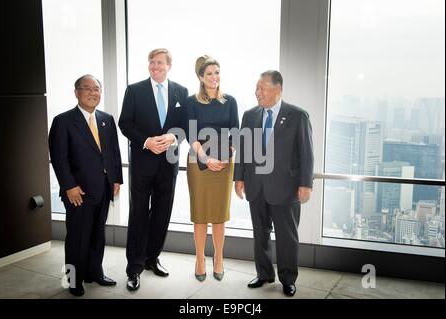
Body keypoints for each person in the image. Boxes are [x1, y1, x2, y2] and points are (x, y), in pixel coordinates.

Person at [234, 70, 313, 297]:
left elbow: (306, 153)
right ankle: (264, 273)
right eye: (256, 88)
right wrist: (238, 177)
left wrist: (305, 184)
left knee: (287, 236)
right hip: (255, 185)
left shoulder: (298, 116)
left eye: (262, 88)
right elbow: (244, 149)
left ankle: (288, 278)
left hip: (286, 188)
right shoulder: (250, 115)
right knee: (260, 233)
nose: (257, 92)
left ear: (277, 89)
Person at [119, 48, 189, 291]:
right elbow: (124, 122)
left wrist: (171, 138)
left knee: (162, 212)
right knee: (138, 213)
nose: (155, 66)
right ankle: (134, 268)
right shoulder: (134, 90)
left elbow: (185, 126)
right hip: (142, 162)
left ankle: (152, 259)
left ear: (169, 65)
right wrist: (147, 141)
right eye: (151, 62)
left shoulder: (181, 91)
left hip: (168, 163)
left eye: (160, 63)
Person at [49, 75, 123, 297]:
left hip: (103, 188)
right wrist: (69, 186)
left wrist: (116, 179)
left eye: (97, 89)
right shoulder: (63, 121)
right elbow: (59, 157)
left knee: (97, 235)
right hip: (78, 192)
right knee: (77, 238)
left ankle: (94, 272)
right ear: (77, 93)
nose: (93, 92)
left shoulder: (106, 119)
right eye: (87, 88)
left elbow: (113, 153)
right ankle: (73, 279)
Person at [186, 55, 239, 282]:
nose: (214, 77)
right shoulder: (191, 102)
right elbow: (191, 135)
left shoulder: (231, 101)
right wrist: (206, 159)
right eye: (209, 73)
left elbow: (235, 133)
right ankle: (200, 260)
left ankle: (218, 259)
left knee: (219, 215)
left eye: (217, 72)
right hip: (199, 161)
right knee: (200, 215)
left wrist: (227, 157)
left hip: (225, 162)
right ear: (200, 76)